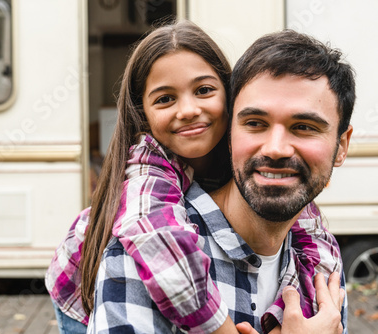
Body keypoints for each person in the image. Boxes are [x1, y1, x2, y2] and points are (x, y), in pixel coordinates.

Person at [45, 21, 346, 333]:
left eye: (203, 90)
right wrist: (223, 330)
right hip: (76, 291)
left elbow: (311, 230)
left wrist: (319, 287)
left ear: (231, 98)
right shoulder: (148, 170)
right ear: (143, 114)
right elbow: (163, 248)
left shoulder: (257, 165)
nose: (188, 110)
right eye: (165, 98)